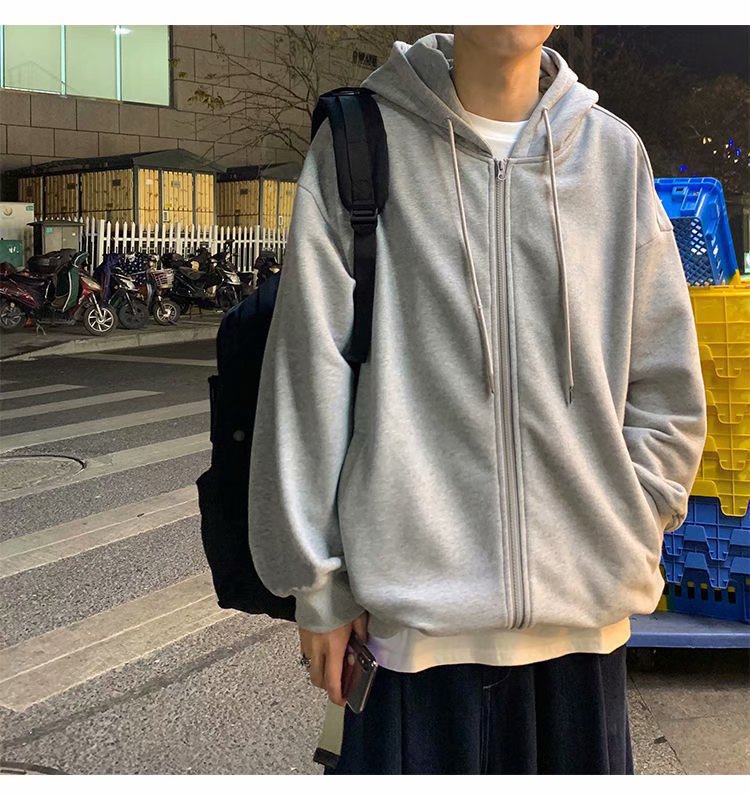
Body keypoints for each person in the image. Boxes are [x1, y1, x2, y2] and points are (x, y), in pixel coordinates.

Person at [247, 27, 708, 774]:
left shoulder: (613, 156)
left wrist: (635, 510)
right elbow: (307, 378)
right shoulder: (361, 145)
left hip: (586, 635)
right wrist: (320, 588)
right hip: (411, 645)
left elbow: (665, 378)